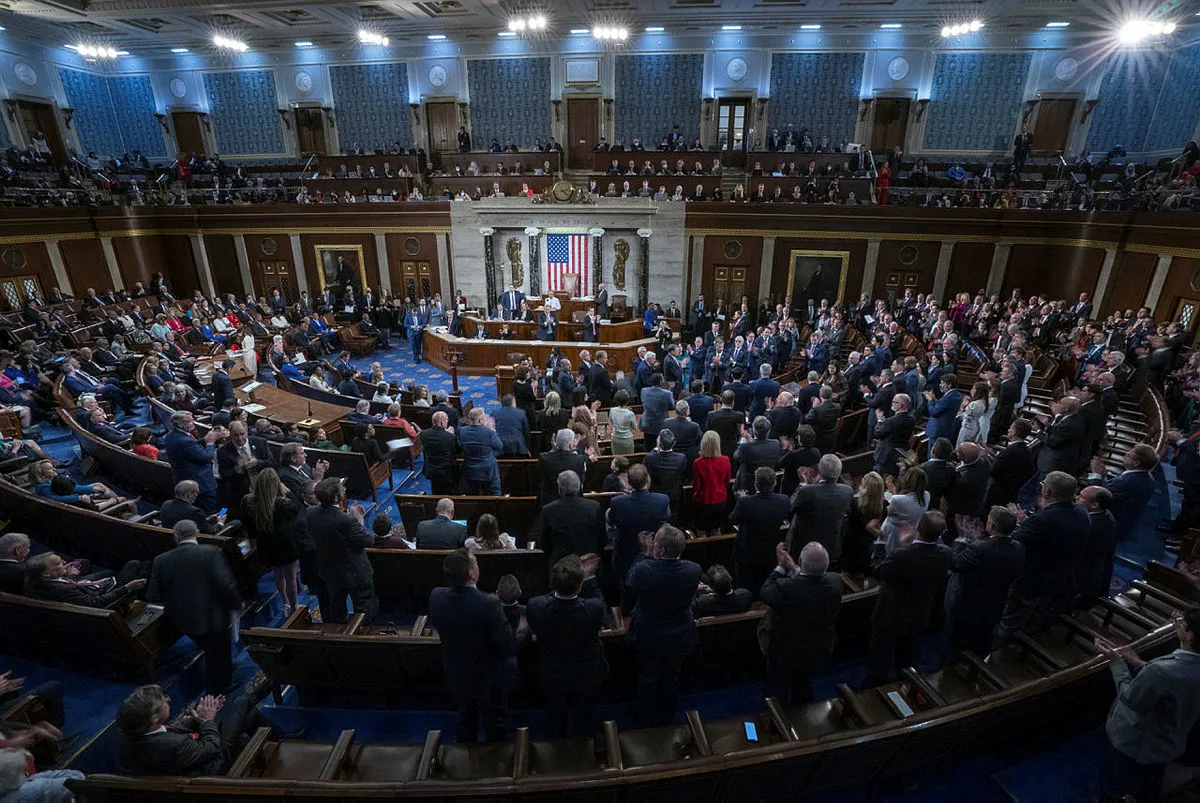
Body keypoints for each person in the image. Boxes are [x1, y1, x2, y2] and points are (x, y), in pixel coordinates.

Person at [1098, 605, 1200, 801]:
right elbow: (1180, 684)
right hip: (1168, 744)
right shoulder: (1171, 670)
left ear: (1189, 635)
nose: (1177, 624)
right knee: (1148, 786)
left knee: (1115, 789)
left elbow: (1131, 699)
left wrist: (1116, 662)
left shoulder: (1161, 671)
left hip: (1135, 745)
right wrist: (1140, 663)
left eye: (1182, 624)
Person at [428, 549, 518, 743]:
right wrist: (523, 629)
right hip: (488, 678)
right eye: (475, 561)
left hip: (456, 672)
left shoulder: (436, 596)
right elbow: (509, 647)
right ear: (471, 573)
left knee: (466, 720)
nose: (478, 565)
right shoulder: (490, 605)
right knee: (494, 724)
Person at [147, 521, 242, 695]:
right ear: (197, 532)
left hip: (180, 618)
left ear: (176, 537)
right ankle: (219, 688)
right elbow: (223, 585)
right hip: (212, 616)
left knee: (208, 647)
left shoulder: (161, 560)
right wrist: (236, 603)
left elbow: (152, 595)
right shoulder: (210, 553)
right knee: (219, 651)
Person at [862, 511, 953, 688]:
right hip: (919, 614)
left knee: (880, 659)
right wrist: (905, 545)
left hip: (890, 615)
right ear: (941, 534)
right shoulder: (946, 553)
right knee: (908, 659)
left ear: (917, 526)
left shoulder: (901, 555)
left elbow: (878, 570)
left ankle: (871, 691)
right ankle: (906, 688)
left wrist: (881, 541)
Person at [999, 471, 1090, 639]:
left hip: (1032, 582)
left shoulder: (1042, 520)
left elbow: (1015, 544)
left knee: (1012, 624)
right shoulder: (1082, 514)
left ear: (1046, 492)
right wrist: (1027, 523)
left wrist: (1020, 525)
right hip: (1061, 579)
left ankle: (1001, 656)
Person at [625, 525, 701, 727]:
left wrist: (645, 553)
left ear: (660, 550)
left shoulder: (645, 569)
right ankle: (667, 717)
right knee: (671, 677)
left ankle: (645, 719)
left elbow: (631, 582)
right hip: (680, 633)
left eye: (656, 541)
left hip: (649, 633)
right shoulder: (693, 570)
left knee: (648, 678)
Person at [114, 680, 272, 776]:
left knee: (248, 714)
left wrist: (196, 718)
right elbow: (213, 747)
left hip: (191, 757)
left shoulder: (131, 731)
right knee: (241, 703)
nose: (168, 699)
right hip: (213, 765)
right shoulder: (174, 746)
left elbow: (167, 729)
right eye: (164, 701)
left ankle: (277, 737)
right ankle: (272, 682)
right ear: (154, 717)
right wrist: (207, 721)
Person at [526, 554, 608, 738]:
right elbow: (601, 606)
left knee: (556, 720)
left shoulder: (536, 607)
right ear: (580, 586)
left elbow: (548, 600)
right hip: (586, 673)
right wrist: (587, 577)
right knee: (585, 720)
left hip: (553, 673)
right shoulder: (592, 609)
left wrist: (566, 579)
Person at [759, 541, 843, 704]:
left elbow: (765, 592)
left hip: (785, 651)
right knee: (805, 683)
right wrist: (794, 567)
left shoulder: (786, 588)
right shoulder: (836, 582)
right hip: (819, 647)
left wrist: (781, 567)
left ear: (801, 562)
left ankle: (777, 716)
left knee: (778, 687)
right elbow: (810, 580)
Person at [943, 506, 1025, 661]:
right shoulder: (1019, 548)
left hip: (966, 606)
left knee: (955, 646)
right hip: (995, 605)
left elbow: (955, 563)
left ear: (991, 526)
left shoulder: (978, 549)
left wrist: (962, 539)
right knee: (982, 643)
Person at [307, 477, 376, 624]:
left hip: (330, 570)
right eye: (342, 490)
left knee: (336, 610)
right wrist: (359, 520)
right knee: (363, 610)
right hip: (354, 572)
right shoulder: (346, 521)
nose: (344, 491)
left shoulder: (311, 513)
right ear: (336, 497)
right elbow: (367, 541)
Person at [240, 468, 302, 618]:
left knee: (278, 572)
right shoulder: (284, 503)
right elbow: (298, 508)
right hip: (286, 545)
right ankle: (294, 606)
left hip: (266, 544)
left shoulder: (248, 501)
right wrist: (287, 491)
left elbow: (247, 526)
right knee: (291, 577)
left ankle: (285, 602)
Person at [608, 464, 671, 607]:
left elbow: (611, 520)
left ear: (629, 482)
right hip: (652, 553)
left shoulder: (618, 502)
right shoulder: (662, 500)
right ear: (647, 480)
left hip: (626, 553)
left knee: (627, 589)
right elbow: (666, 517)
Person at [787, 454, 854, 567]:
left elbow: (790, 507)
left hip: (806, 548)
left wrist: (803, 484)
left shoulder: (806, 492)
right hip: (832, 546)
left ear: (820, 472)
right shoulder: (848, 491)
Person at [540, 471, 605, 567]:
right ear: (579, 487)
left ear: (560, 488)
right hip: (589, 563)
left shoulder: (548, 510)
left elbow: (544, 543)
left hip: (561, 564)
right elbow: (602, 538)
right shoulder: (594, 507)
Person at [164, 411, 225, 513]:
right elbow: (206, 457)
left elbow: (192, 447)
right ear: (180, 424)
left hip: (185, 478)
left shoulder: (172, 435)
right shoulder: (184, 441)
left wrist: (204, 440)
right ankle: (218, 524)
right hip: (201, 484)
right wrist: (210, 442)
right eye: (189, 421)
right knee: (211, 509)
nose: (193, 423)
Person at [216, 420, 273, 512]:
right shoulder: (223, 451)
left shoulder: (260, 442)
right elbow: (224, 475)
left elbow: (272, 462)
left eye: (242, 434)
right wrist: (239, 468)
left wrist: (257, 462)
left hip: (264, 489)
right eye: (235, 435)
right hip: (241, 494)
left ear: (247, 432)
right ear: (230, 434)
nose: (239, 438)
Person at [1077, 485, 1117, 609]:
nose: (1077, 498)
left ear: (1095, 505)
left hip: (1082, 573)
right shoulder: (1105, 514)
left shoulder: (1089, 526)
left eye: (1081, 497)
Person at [691, 430, 730, 537]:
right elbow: (726, 481)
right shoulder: (725, 460)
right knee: (716, 529)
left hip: (702, 501)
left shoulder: (698, 463)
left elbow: (697, 486)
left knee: (701, 531)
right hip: (720, 499)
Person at [458, 407, 503, 496]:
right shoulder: (489, 432)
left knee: (473, 494)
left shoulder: (462, 431)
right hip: (487, 470)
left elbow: (460, 447)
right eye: (484, 417)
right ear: (479, 420)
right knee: (492, 493)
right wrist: (493, 431)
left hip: (470, 470)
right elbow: (500, 446)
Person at [645, 429, 688, 520]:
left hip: (656, 495)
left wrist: (655, 449)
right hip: (674, 495)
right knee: (673, 517)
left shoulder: (650, 458)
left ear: (659, 443)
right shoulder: (681, 458)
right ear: (674, 443)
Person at [538, 428, 587, 506]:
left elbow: (538, 479)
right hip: (573, 502)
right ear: (571, 445)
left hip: (549, 502)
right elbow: (581, 481)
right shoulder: (579, 459)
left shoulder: (544, 458)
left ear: (555, 443)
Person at [873, 392, 914, 477]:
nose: (892, 403)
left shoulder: (891, 421)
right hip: (900, 454)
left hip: (886, 456)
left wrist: (879, 421)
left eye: (894, 402)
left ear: (900, 405)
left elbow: (877, 433)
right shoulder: (911, 418)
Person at [420, 411, 459, 495]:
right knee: (450, 492)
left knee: (436, 490)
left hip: (431, 469)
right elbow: (457, 451)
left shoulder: (424, 434)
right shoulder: (450, 437)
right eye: (447, 420)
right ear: (442, 422)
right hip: (447, 471)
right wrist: (449, 434)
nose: (448, 421)